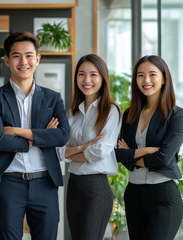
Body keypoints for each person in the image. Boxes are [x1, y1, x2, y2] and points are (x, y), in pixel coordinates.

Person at [0, 31, 70, 240]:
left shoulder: (52, 98)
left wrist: (19, 132)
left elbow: (62, 136)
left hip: (45, 183)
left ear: (37, 59)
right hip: (9, 183)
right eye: (16, 56)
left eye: (29, 55)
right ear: (7, 60)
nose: (24, 61)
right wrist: (41, 137)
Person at [115, 55, 183, 240]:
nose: (146, 80)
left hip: (163, 195)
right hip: (134, 194)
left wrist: (132, 155)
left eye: (152, 74)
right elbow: (118, 155)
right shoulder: (129, 115)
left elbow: (164, 157)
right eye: (140, 75)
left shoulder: (178, 115)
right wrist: (148, 151)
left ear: (164, 78)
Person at [56, 54, 121, 240]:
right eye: (81, 74)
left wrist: (72, 150)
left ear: (103, 78)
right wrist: (84, 147)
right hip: (74, 186)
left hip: (96, 188)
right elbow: (59, 151)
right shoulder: (72, 113)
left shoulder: (111, 111)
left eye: (93, 74)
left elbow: (99, 152)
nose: (87, 80)